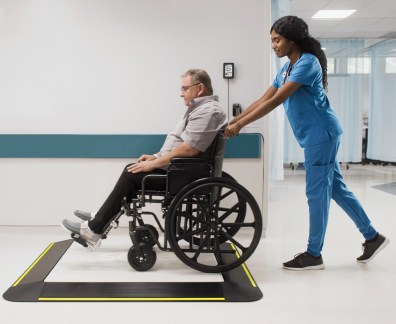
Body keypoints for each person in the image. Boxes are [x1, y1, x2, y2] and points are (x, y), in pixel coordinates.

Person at [225, 16, 389, 270]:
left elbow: (275, 101)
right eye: (272, 40)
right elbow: (262, 99)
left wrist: (241, 126)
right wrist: (235, 120)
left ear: (293, 39)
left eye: (277, 40)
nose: (274, 45)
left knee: (317, 194)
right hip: (316, 135)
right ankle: (372, 237)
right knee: (335, 189)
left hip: (321, 135)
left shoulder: (307, 63)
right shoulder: (286, 68)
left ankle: (314, 254)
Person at [62, 69, 227, 248]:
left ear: (200, 88)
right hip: (179, 169)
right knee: (134, 168)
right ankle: (101, 216)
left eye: (185, 88)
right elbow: (182, 144)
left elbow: (189, 149)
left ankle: (94, 229)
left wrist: (155, 163)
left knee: (131, 174)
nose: (181, 93)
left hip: (184, 175)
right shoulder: (200, 109)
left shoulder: (208, 111)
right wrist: (155, 157)